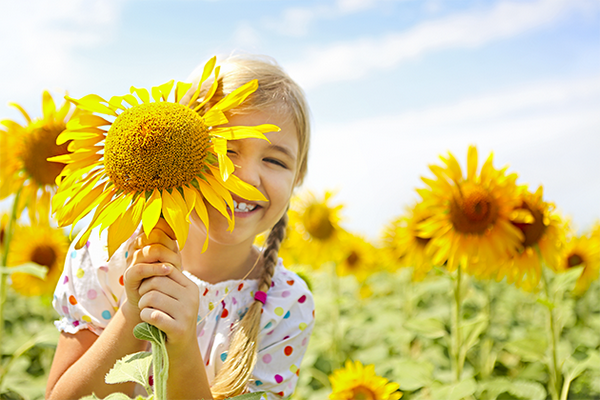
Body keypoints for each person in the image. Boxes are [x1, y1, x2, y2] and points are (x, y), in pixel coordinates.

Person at [45, 55, 314, 400]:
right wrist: (132, 315)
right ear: (178, 146)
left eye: (275, 160)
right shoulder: (107, 258)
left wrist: (183, 347)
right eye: (226, 149)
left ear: (297, 179)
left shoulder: (287, 305)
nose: (246, 177)